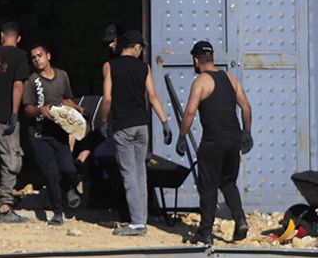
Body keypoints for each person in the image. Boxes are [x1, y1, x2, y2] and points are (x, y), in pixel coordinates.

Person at [176, 40, 254, 245]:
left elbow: (190, 112)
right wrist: (247, 133)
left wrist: (182, 136)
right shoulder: (230, 78)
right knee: (228, 182)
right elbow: (246, 107)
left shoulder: (201, 81)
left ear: (195, 60)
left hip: (213, 140)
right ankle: (240, 219)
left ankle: (205, 233)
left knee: (208, 186)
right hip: (234, 137)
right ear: (212, 58)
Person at [99, 30, 172, 236]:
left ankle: (137, 223)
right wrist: (165, 122)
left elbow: (107, 98)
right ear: (137, 47)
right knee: (140, 172)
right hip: (142, 125)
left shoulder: (110, 66)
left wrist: (103, 122)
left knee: (128, 173)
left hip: (122, 126)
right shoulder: (144, 67)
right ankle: (141, 219)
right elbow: (153, 96)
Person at [20, 44, 80, 225]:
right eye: (33, 57)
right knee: (51, 172)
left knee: (68, 168)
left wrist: (77, 110)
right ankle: (57, 211)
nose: (37, 59)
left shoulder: (62, 76)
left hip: (60, 132)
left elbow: (67, 98)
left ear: (48, 56)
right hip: (39, 135)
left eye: (40, 55)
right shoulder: (31, 81)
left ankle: (70, 188)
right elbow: (27, 109)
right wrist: (40, 110)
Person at [0, 22, 30, 222]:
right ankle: (5, 207)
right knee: (11, 159)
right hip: (4, 115)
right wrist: (14, 112)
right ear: (17, 39)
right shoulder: (19, 56)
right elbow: (18, 85)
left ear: (2, 35)